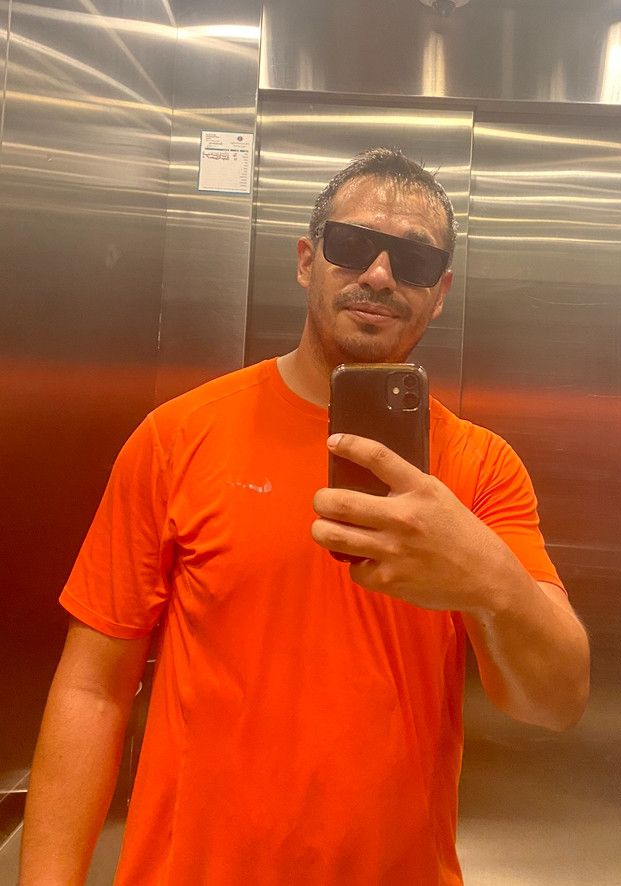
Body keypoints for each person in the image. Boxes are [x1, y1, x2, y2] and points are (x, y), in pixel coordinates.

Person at [19, 147, 590, 886]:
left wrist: (491, 583)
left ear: (440, 293)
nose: (378, 275)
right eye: (352, 244)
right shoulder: (179, 437)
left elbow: (556, 702)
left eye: (414, 260)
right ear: (305, 260)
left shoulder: (481, 469)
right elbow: (91, 690)